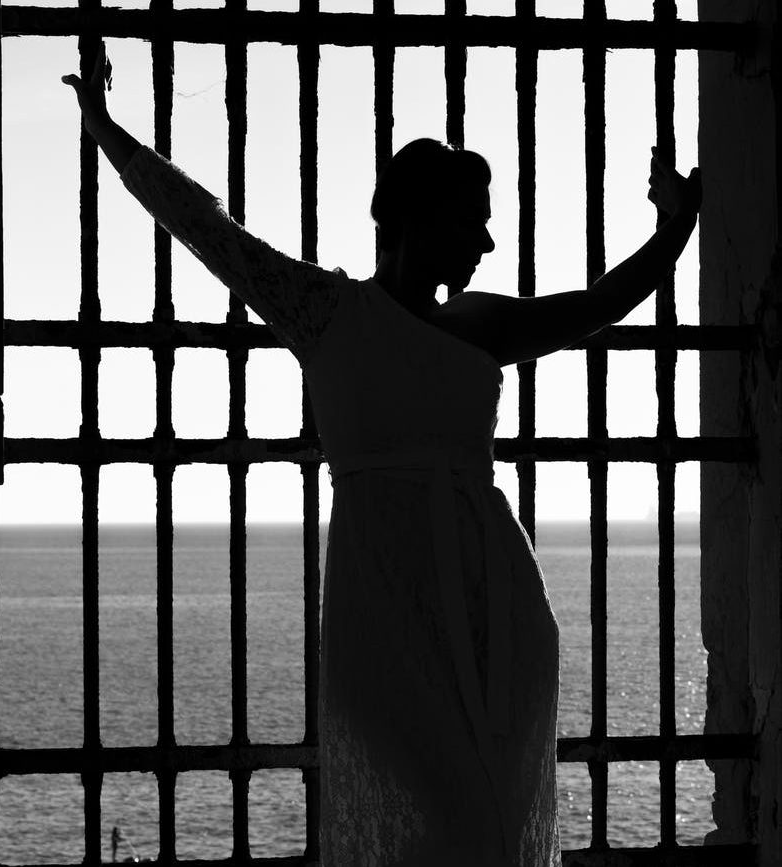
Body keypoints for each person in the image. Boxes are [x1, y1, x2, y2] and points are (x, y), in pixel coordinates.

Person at [64, 43, 701, 866]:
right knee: (444, 820)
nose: (486, 242)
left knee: (486, 822)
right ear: (418, 218)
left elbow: (597, 304)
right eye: (471, 220)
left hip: (494, 601)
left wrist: (675, 227)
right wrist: (103, 127)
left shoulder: (478, 324)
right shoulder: (327, 310)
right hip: (385, 607)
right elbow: (206, 227)